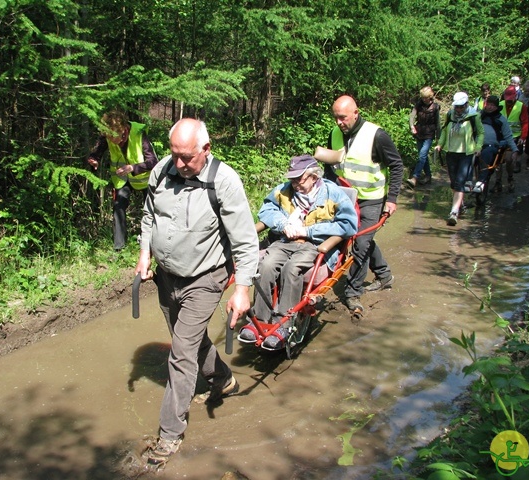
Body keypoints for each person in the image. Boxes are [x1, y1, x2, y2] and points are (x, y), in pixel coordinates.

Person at [134, 118, 259, 466]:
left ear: (206, 149)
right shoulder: (163, 169)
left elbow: (246, 242)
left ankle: (169, 436)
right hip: (166, 276)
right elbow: (149, 215)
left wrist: (243, 289)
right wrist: (145, 253)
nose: (179, 163)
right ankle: (223, 380)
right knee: (187, 337)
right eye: (174, 154)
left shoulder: (225, 181)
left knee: (181, 353)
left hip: (206, 278)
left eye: (186, 156)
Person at [238, 155, 358, 349]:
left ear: (314, 177)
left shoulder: (333, 194)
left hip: (314, 243)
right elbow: (266, 211)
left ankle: (284, 323)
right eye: (292, 179)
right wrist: (283, 223)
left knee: (292, 268)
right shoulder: (283, 190)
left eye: (299, 179)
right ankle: (259, 319)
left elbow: (349, 225)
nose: (294, 184)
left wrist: (308, 231)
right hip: (285, 240)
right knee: (266, 265)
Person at [315, 95, 403, 315]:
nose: (338, 122)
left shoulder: (377, 136)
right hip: (346, 197)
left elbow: (397, 165)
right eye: (335, 117)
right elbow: (330, 166)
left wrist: (391, 199)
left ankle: (353, 293)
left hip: (372, 198)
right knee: (357, 239)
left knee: (360, 243)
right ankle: (384, 275)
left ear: (356, 113)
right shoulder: (334, 134)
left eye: (343, 118)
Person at [87, 110, 158, 251]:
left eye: (113, 136)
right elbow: (96, 153)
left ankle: (152, 243)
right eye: (107, 136)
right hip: (122, 179)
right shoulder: (107, 135)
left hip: (143, 179)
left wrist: (133, 167)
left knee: (150, 210)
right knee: (118, 206)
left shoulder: (138, 133)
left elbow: (153, 161)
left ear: (123, 129)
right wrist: (94, 160)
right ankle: (119, 248)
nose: (110, 140)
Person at [434, 92, 484, 226]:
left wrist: (478, 147)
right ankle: (459, 204)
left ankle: (453, 212)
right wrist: (440, 144)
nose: (459, 109)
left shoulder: (474, 116)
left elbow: (480, 133)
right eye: (457, 107)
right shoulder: (450, 115)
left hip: (466, 154)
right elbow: (445, 131)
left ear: (466, 104)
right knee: (453, 182)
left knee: (460, 182)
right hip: (451, 152)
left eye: (461, 107)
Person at [474, 96, 518, 193]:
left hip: (492, 146)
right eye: (488, 104)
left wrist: (514, 150)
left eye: (492, 105)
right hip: (476, 145)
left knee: (487, 155)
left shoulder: (501, 119)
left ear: (496, 107)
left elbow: (508, 136)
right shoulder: (478, 116)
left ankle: (481, 182)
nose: (489, 107)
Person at [494, 85, 528, 192]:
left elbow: (525, 122)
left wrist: (523, 136)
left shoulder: (521, 106)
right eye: (507, 98)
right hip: (500, 137)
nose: (508, 101)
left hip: (514, 138)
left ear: (515, 96)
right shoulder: (499, 105)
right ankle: (498, 182)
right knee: (498, 161)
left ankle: (510, 178)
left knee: (509, 160)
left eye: (510, 99)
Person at [407, 86, 440, 188]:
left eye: (425, 97)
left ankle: (415, 177)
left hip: (429, 134)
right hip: (419, 132)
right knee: (423, 156)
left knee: (422, 155)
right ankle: (428, 176)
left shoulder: (435, 107)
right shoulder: (419, 104)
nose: (424, 99)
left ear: (430, 97)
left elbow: (438, 123)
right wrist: (412, 126)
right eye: (422, 97)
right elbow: (412, 116)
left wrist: (439, 140)